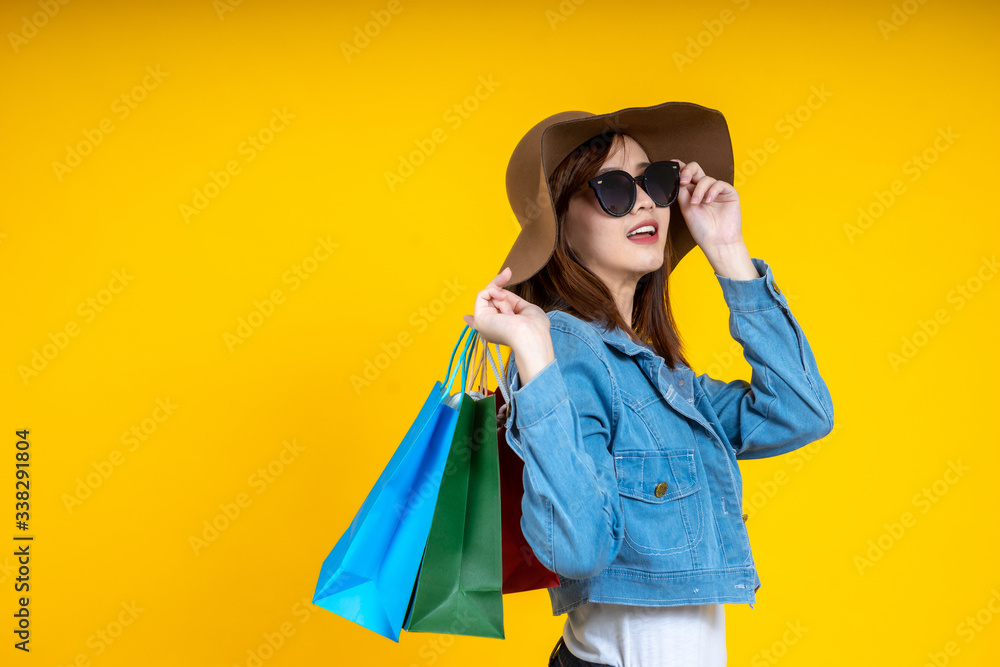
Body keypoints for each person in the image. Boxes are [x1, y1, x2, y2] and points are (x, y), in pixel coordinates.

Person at [462, 102, 834, 667]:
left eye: (654, 181)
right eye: (612, 188)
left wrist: (729, 252)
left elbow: (801, 411)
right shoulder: (568, 351)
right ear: (559, 223)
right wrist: (535, 356)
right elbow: (577, 549)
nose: (643, 201)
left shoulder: (660, 375)